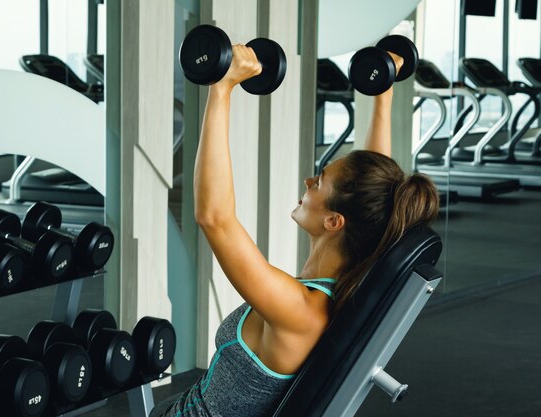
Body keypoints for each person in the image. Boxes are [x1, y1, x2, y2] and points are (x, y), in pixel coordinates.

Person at [151, 45, 439, 417]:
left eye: (318, 182)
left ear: (334, 221)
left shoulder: (299, 310)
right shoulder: (352, 284)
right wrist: (382, 94)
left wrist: (221, 89)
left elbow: (214, 218)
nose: (307, 181)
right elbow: (374, 194)